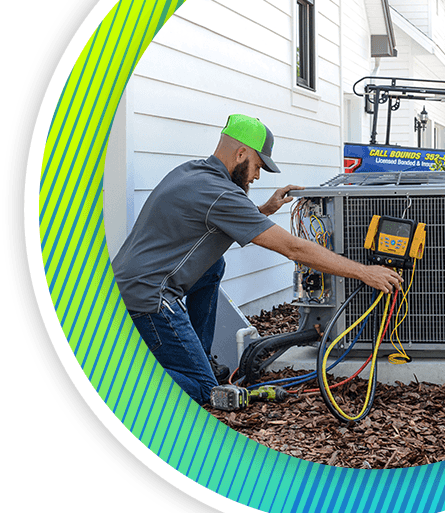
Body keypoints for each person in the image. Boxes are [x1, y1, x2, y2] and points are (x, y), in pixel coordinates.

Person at [111, 113, 401, 405]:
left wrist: (262, 210)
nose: (257, 176)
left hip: (127, 286)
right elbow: (294, 249)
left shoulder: (192, 173)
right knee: (204, 391)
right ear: (241, 154)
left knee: (213, 265)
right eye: (258, 166)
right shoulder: (220, 193)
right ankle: (118, 379)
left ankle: (196, 353)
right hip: (150, 299)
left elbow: (211, 222)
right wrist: (364, 272)